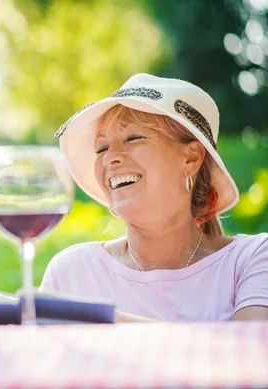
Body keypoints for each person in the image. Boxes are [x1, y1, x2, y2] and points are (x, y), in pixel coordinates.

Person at [42, 73, 268, 322]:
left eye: (133, 138)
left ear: (191, 157)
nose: (109, 157)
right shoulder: (72, 272)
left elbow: (247, 352)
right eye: (102, 148)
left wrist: (97, 317)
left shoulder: (252, 258)